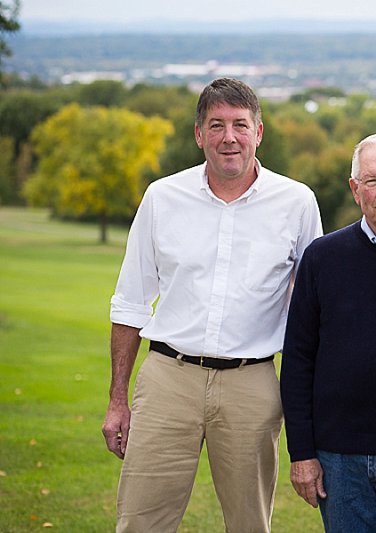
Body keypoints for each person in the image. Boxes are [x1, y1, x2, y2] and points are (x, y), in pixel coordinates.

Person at [101, 77, 323, 532]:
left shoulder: (297, 203)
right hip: (167, 379)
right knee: (140, 522)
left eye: (240, 125)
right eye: (216, 125)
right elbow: (129, 302)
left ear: (259, 132)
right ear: (199, 133)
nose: (229, 137)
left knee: (249, 524)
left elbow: (312, 314)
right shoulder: (162, 197)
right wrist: (117, 400)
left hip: (252, 383)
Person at [280, 132, 376, 533]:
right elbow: (298, 359)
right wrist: (302, 453)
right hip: (337, 457)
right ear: (355, 189)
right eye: (372, 180)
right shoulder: (321, 257)